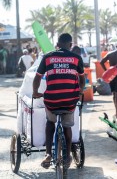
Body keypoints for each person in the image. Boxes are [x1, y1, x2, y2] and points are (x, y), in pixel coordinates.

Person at [32, 33, 85, 168]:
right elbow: (82, 79)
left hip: (52, 100)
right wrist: (79, 91)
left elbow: (37, 78)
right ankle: (67, 157)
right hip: (70, 100)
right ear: (70, 44)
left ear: (57, 43)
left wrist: (35, 92)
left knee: (50, 123)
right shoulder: (76, 58)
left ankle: (48, 154)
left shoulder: (48, 57)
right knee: (67, 126)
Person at [100, 41, 117, 118]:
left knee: (115, 94)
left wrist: (107, 71)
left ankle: (116, 112)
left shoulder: (110, 54)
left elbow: (102, 62)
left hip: (112, 75)